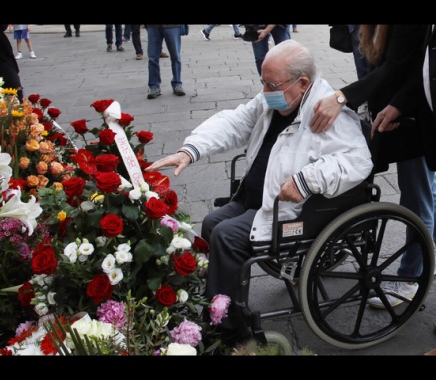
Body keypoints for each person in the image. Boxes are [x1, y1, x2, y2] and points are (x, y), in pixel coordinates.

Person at [145, 39, 373, 347]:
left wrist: (306, 180)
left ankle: (230, 331)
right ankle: (223, 302)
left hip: (293, 211)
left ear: (302, 82)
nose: (265, 91)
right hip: (257, 199)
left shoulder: (329, 113)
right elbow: (234, 122)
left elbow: (358, 160)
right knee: (212, 223)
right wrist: (191, 150)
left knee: (226, 235)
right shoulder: (277, 98)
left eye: (271, 84)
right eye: (263, 82)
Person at [309, 25, 434, 309]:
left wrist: (343, 97)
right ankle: (426, 256)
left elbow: (398, 67)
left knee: (418, 199)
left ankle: (411, 277)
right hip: (400, 109)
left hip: (417, 117)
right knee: (424, 193)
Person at [145, 25, 185, 99]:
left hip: (172, 26)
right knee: (152, 59)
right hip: (153, 27)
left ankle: (177, 83)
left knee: (176, 57)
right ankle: (154, 86)